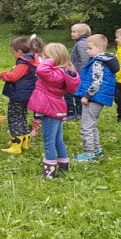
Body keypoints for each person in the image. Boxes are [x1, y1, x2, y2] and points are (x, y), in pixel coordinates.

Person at [27, 43, 81, 179]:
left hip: (50, 109)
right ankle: (63, 167)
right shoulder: (64, 72)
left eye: (46, 56)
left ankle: (49, 172)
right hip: (57, 108)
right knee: (58, 140)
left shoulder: (55, 73)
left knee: (49, 141)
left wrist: (50, 59)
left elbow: (40, 70)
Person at [72, 34, 119, 162]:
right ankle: (96, 150)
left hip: (93, 97)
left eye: (90, 48)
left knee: (86, 126)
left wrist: (87, 96)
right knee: (92, 124)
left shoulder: (98, 62)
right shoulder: (104, 60)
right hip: (98, 98)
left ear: (100, 48)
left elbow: (97, 82)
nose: (87, 51)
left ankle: (89, 153)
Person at [0, 37, 39, 154]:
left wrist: (2, 74)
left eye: (13, 52)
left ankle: (16, 145)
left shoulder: (23, 63)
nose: (13, 54)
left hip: (18, 95)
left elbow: (13, 76)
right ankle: (25, 141)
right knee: (22, 116)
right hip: (26, 94)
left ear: (19, 52)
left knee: (14, 118)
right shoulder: (32, 60)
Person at [64, 24, 91, 121]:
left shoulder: (81, 44)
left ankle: (74, 112)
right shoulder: (81, 42)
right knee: (76, 93)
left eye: (74, 32)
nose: (72, 33)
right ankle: (78, 112)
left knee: (72, 92)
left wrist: (76, 73)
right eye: (72, 31)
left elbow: (83, 60)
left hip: (78, 73)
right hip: (78, 72)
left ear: (81, 33)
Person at [28, 35, 45, 136]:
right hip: (40, 87)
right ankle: (37, 127)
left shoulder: (34, 58)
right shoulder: (46, 57)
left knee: (37, 108)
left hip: (36, 87)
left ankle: (35, 128)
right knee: (38, 108)